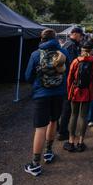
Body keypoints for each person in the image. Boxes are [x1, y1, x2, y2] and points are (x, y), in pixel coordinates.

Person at [24, 29, 70, 176]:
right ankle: (48, 152)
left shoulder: (36, 54)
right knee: (53, 121)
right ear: (55, 38)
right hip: (58, 94)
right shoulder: (64, 52)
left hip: (41, 94)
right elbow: (66, 73)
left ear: (41, 39)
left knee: (40, 128)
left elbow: (28, 76)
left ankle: (35, 164)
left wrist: (38, 84)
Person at [64, 41, 93, 152]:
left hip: (75, 91)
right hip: (87, 92)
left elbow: (69, 79)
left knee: (74, 115)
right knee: (83, 117)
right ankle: (80, 142)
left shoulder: (76, 61)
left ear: (82, 50)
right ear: (91, 50)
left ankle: (71, 141)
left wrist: (69, 91)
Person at [58, 27, 83, 141]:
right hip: (68, 80)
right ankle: (63, 132)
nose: (81, 37)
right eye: (80, 35)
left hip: (62, 79)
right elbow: (74, 64)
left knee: (62, 107)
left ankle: (59, 129)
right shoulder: (71, 45)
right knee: (67, 108)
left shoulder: (66, 44)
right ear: (75, 34)